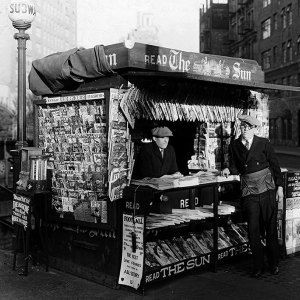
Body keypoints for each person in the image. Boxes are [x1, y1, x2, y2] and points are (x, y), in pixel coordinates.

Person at [221, 114, 283, 278]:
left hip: (267, 190)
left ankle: (274, 263)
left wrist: (280, 187)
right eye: (242, 127)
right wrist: (229, 170)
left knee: (270, 229)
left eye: (247, 127)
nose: (244, 129)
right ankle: (258, 266)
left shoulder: (263, 143)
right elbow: (235, 166)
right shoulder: (234, 145)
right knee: (253, 229)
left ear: (254, 129)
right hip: (249, 191)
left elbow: (275, 166)